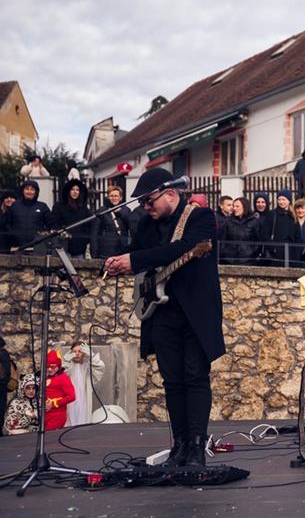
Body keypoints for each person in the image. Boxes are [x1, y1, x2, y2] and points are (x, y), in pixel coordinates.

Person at [102, 167, 225, 467]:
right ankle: (180, 445)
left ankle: (197, 446)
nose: (145, 207)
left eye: (149, 201)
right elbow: (138, 254)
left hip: (194, 312)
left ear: (171, 194)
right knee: (172, 381)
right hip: (161, 312)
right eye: (142, 203)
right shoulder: (146, 222)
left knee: (196, 376)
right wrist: (120, 260)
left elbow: (181, 249)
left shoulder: (200, 218)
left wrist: (135, 260)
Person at [57, 342, 105, 426]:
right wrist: (65, 360)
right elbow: (58, 374)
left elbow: (100, 367)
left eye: (79, 351)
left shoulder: (87, 366)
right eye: (74, 351)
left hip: (83, 401)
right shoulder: (69, 366)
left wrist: (91, 355)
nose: (76, 354)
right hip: (69, 402)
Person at [50, 179, 91, 258]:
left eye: (77, 190)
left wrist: (84, 240)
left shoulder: (84, 208)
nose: (75, 192)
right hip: (63, 245)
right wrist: (62, 233)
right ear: (68, 191)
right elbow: (54, 223)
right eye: (72, 189)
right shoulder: (59, 206)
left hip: (79, 247)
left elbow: (88, 226)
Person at [259, 189, 300, 267]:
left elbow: (297, 237)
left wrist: (297, 253)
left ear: (289, 201)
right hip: (275, 254)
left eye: (283, 199)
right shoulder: (272, 214)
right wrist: (273, 248)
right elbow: (264, 234)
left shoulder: (293, 216)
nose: (281, 202)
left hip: (291, 254)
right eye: (279, 199)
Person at [90, 185, 132, 259]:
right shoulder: (101, 211)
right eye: (111, 196)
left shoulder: (126, 210)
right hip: (106, 251)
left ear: (120, 198)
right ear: (108, 197)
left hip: (123, 249)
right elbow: (95, 234)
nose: (114, 198)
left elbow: (131, 224)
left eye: (116, 196)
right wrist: (94, 254)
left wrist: (119, 212)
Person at [41, 350, 75, 431]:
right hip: (45, 415)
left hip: (57, 415)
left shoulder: (63, 378)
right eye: (47, 366)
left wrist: (53, 403)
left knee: (51, 439)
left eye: (53, 367)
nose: (49, 369)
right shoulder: (46, 377)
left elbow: (72, 396)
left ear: (58, 366)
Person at [221, 197, 260, 264]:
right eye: (234, 206)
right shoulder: (228, 221)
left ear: (244, 207)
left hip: (248, 260)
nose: (234, 208)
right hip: (229, 260)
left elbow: (258, 241)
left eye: (237, 206)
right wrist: (225, 253)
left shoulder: (254, 222)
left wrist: (252, 253)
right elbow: (223, 239)